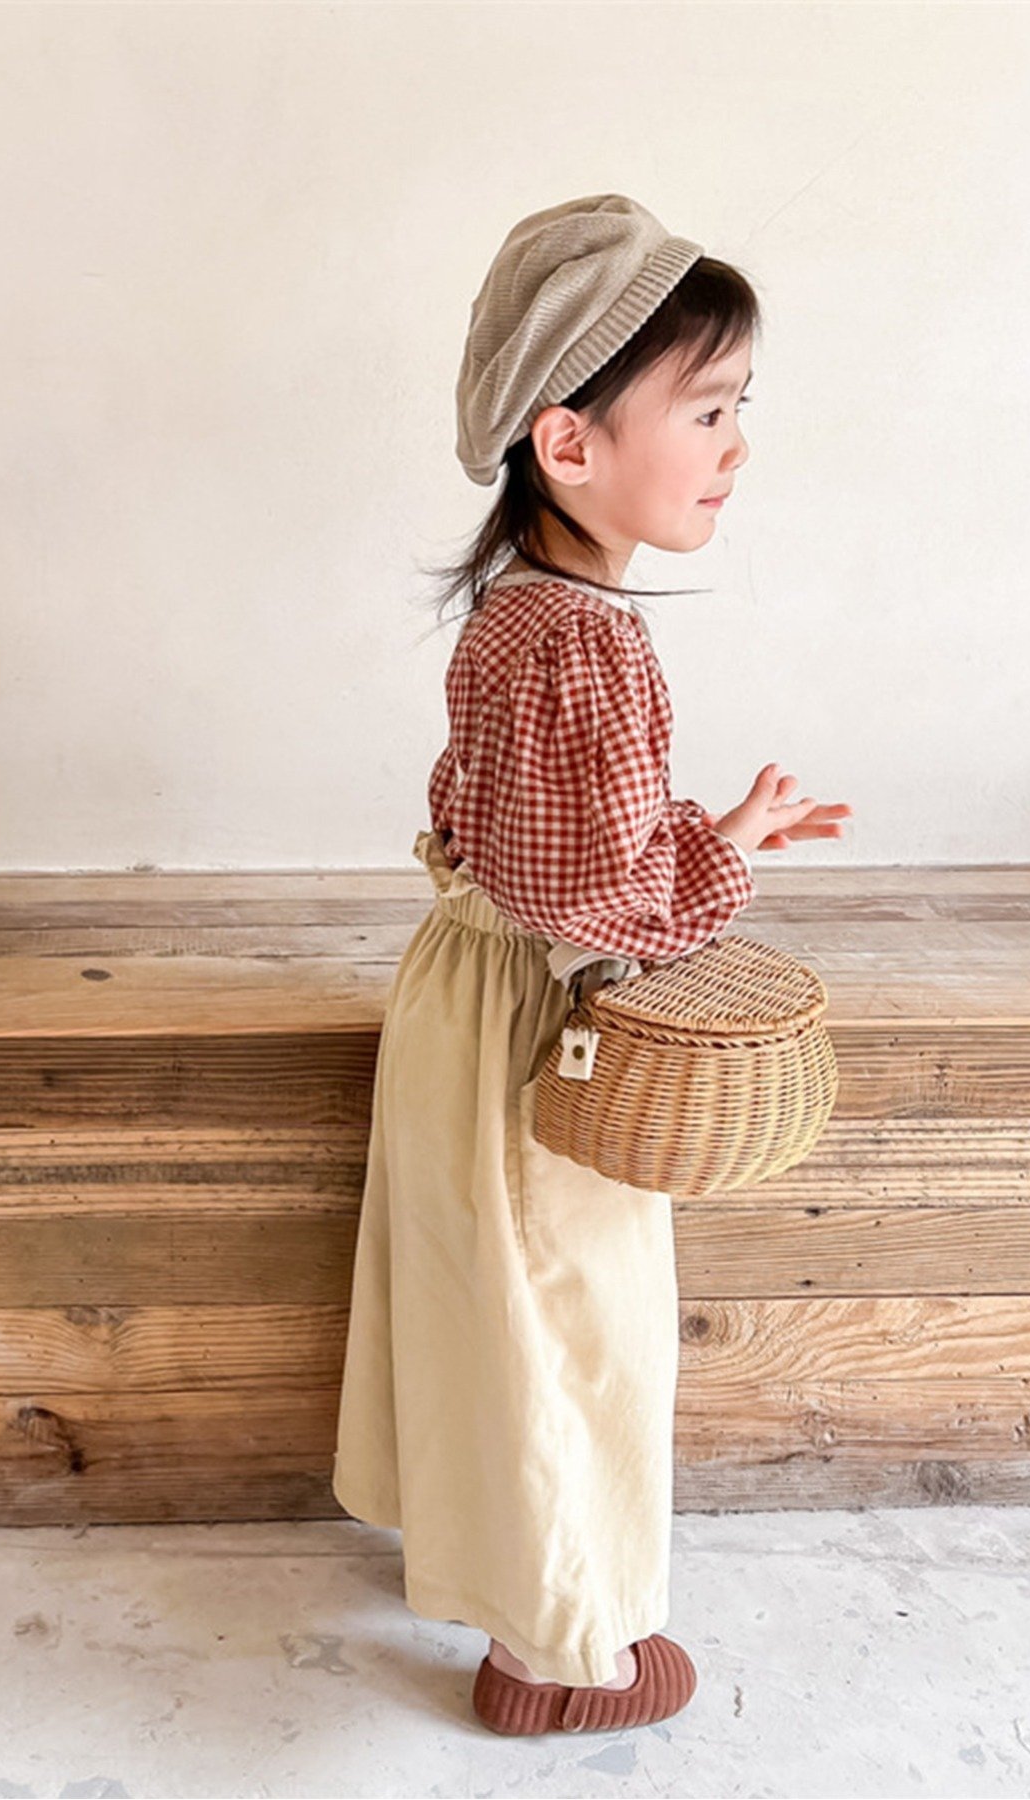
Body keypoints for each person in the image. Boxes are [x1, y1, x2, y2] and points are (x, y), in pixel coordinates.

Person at [330, 194, 853, 1737]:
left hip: (468, 989)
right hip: (540, 1033)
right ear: (569, 443)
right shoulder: (586, 643)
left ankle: (491, 1564)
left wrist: (713, 829)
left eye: (738, 406)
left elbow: (536, 836)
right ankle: (561, 1658)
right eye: (708, 409)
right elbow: (600, 900)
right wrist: (718, 869)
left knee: (486, 1303)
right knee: (572, 1325)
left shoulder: (525, 615)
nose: (738, 445)